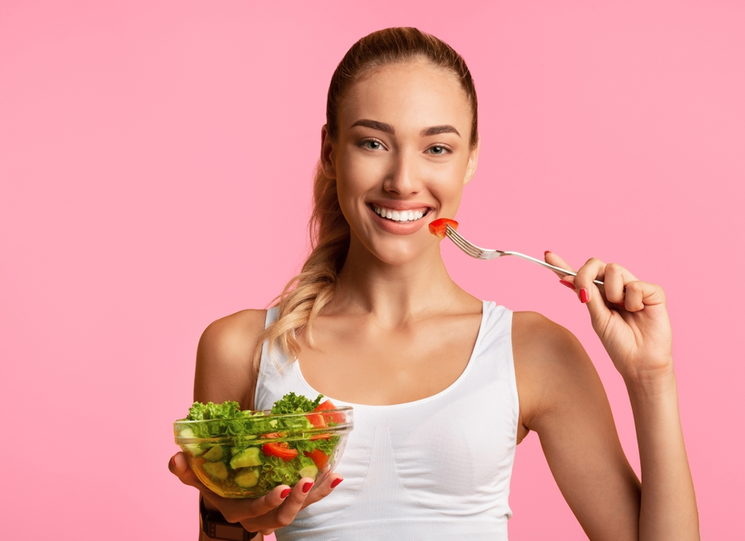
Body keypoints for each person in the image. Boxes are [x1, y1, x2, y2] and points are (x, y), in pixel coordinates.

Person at [169, 27, 699, 541]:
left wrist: (652, 378)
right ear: (331, 153)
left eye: (437, 149)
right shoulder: (241, 350)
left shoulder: (533, 352)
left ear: (470, 159)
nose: (402, 180)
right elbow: (221, 531)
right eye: (373, 143)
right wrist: (230, 521)